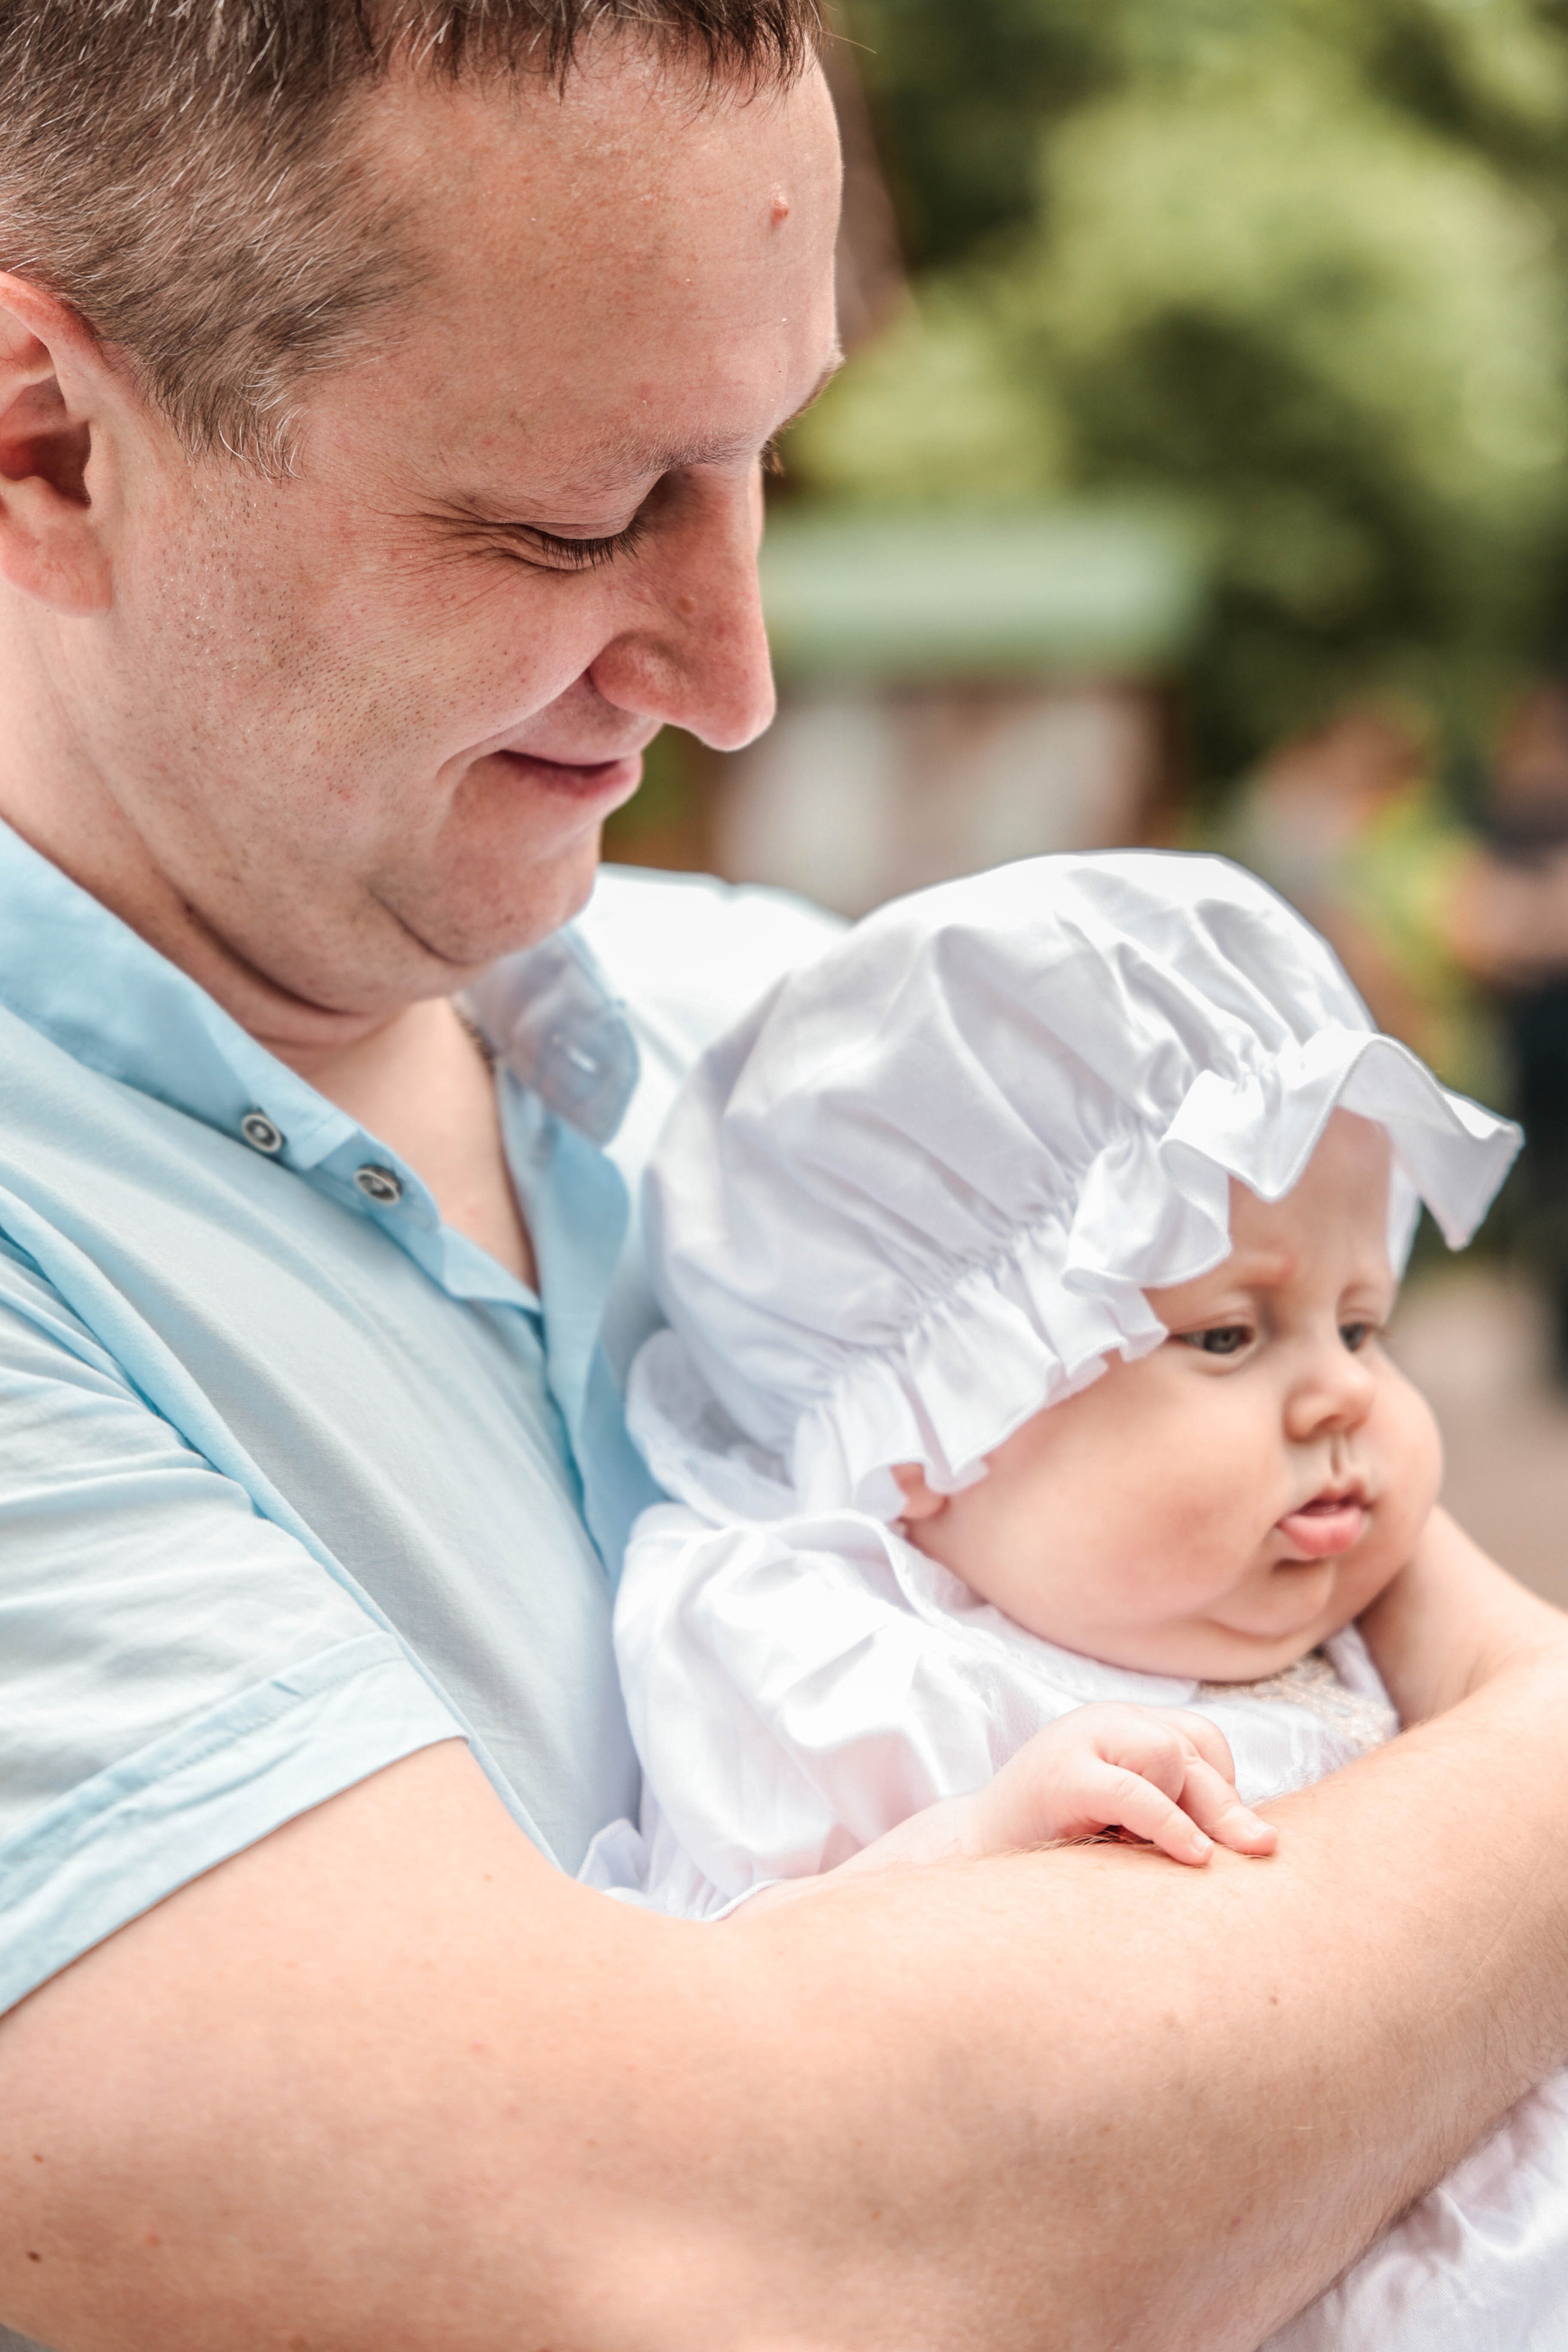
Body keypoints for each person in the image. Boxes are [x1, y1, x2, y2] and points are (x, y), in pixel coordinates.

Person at [5, 10, 1568, 2351]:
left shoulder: (839, 1041)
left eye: (765, 466)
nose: (733, 672)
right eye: (574, 515)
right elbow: (722, 2261)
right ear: (47, 441)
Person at [600, 853, 1568, 2348]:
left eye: (1362, 1322)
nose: (1340, 1391)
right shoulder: (847, 1653)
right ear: (928, 1431)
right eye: (1230, 1335)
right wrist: (973, 1842)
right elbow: (740, 2038)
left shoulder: (1339, 1615)